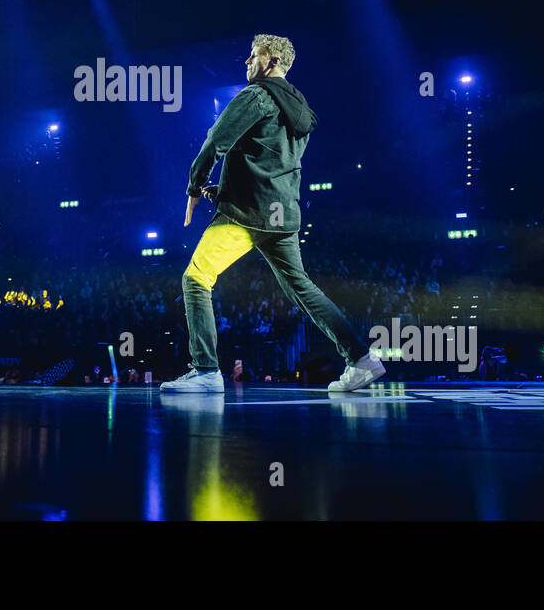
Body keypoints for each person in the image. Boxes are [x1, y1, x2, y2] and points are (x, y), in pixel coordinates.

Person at [161, 34, 384, 395]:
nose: (246, 62)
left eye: (254, 56)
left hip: (247, 215)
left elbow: (216, 139)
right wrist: (222, 190)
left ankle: (205, 371)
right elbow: (269, 162)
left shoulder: (256, 96)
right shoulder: (299, 106)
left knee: (196, 278)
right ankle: (361, 359)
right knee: (302, 287)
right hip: (282, 213)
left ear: (272, 61)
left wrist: (193, 186)